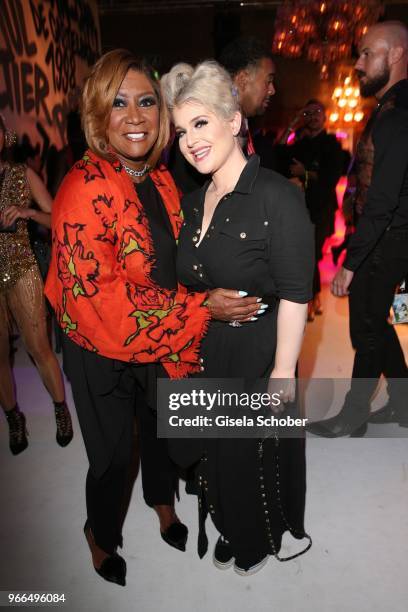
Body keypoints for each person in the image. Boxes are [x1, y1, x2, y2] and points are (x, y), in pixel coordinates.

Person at [44, 49, 261, 587]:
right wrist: (200, 307)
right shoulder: (82, 189)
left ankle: (163, 504)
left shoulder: (163, 180)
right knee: (114, 455)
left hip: (161, 337)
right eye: (118, 104)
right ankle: (100, 534)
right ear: (97, 115)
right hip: (101, 347)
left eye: (145, 101)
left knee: (163, 433)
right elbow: (106, 302)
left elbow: (179, 260)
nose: (135, 116)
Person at [161, 60, 314, 575]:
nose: (189, 141)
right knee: (214, 452)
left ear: (234, 121)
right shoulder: (191, 201)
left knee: (250, 455)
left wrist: (284, 372)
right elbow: (187, 283)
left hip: (255, 348)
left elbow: (296, 292)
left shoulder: (276, 197)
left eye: (200, 123)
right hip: (203, 347)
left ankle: (256, 535)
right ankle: (227, 519)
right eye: (182, 130)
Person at [307, 21, 408, 438]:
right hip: (384, 236)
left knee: (364, 326)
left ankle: (353, 413)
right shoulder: (387, 109)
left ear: (397, 55)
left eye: (369, 54)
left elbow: (383, 198)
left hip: (389, 238)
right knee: (373, 323)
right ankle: (403, 403)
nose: (358, 63)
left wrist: (352, 259)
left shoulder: (399, 114)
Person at [0, 115, 73, 455]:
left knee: (39, 347)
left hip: (22, 269)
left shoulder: (22, 175)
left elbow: (58, 218)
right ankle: (14, 418)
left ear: (5, 136)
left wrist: (27, 214)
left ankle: (61, 409)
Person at [279, 100, 344, 320]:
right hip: (299, 208)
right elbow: (276, 154)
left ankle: (312, 297)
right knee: (304, 255)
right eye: (310, 113)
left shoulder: (332, 144)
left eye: (319, 112)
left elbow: (330, 177)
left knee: (313, 253)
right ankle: (312, 297)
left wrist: (304, 173)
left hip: (322, 209)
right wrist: (293, 123)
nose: (314, 116)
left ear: (325, 117)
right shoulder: (301, 143)